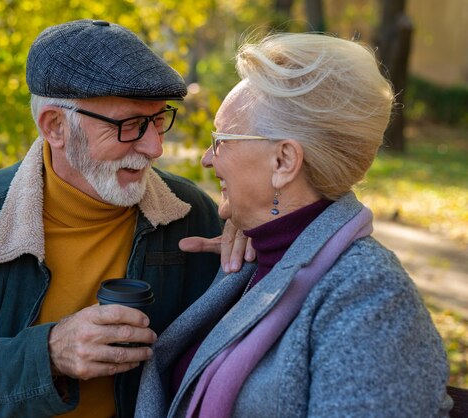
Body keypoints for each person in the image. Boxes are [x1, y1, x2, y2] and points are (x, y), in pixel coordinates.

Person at [0, 19, 247, 418]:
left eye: (158, 121)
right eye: (131, 126)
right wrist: (48, 355)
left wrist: (262, 248)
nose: (154, 147)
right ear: (55, 126)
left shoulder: (191, 215)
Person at [136, 32, 452, 417]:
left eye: (221, 140)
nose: (206, 159)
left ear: (284, 161)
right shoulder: (256, 255)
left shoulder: (372, 298)